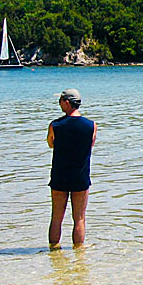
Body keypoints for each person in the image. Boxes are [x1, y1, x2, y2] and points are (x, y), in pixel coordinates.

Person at [47, 88, 97, 248]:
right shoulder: (91, 125)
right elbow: (91, 145)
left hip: (59, 176)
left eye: (60, 101)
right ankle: (79, 253)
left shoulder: (55, 125)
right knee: (80, 218)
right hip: (80, 177)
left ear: (66, 103)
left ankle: (54, 252)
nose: (59, 104)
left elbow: (50, 144)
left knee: (56, 217)